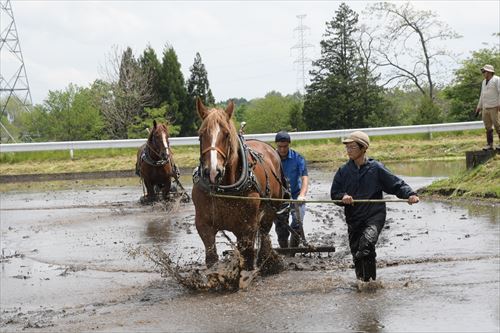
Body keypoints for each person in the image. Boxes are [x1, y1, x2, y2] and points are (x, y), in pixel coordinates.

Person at [330, 131, 419, 282]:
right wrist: (342, 197)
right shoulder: (343, 171)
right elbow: (335, 194)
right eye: (347, 147)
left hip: (374, 216)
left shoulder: (376, 168)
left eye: (352, 147)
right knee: (358, 251)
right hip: (353, 217)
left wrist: (410, 194)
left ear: (363, 148)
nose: (349, 150)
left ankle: (368, 285)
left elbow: (396, 184)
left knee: (366, 243)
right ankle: (366, 283)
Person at [274, 130, 309, 249]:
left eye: (285, 146)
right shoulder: (271, 158)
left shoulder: (298, 158)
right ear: (276, 145)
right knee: (281, 227)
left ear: (289, 144)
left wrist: (302, 195)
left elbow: (304, 178)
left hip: (296, 195)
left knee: (297, 223)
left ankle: (292, 251)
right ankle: (284, 250)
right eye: (280, 147)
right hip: (279, 197)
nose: (282, 150)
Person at [475, 64, 500, 151]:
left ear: (489, 72)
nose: (483, 73)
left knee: (498, 126)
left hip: (495, 107)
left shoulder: (497, 80)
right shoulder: (483, 82)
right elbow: (482, 95)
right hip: (485, 107)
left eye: (484, 71)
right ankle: (490, 144)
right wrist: (479, 106)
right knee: (488, 127)